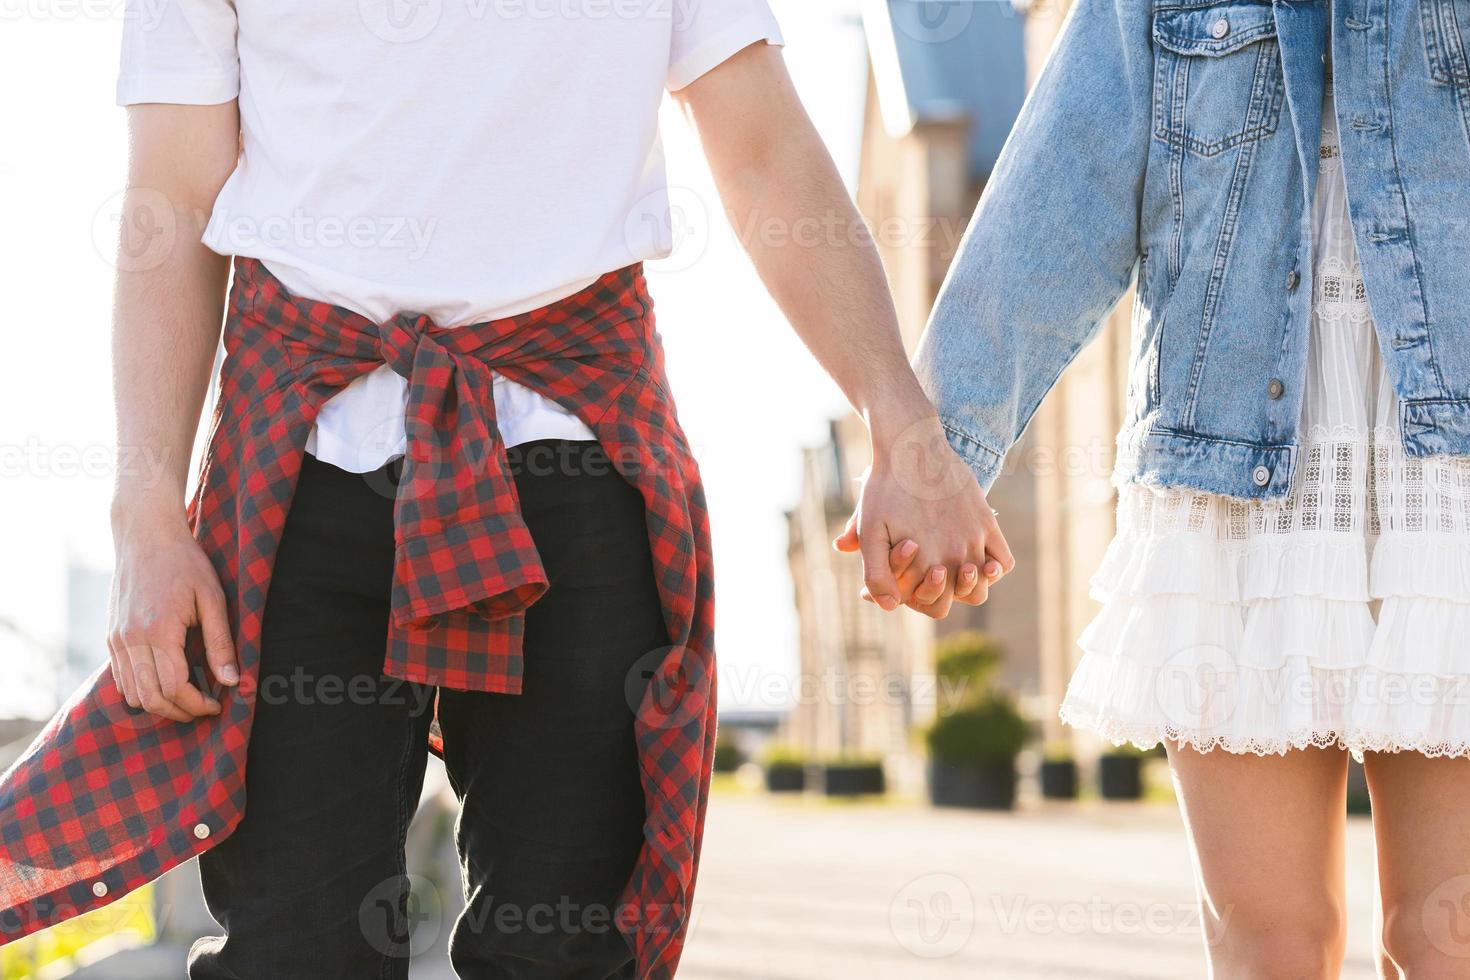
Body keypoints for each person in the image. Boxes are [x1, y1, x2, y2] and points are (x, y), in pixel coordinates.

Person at [0, 2, 1010, 977]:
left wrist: (904, 427)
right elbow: (172, 199)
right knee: (296, 953)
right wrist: (143, 517)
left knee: (562, 948)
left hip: (576, 459)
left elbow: (762, 148)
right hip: (301, 472)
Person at [896, 0, 1470, 976]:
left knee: (1443, 936)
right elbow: (1060, 186)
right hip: (1228, 482)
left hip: (1450, 477)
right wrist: (934, 457)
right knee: (1274, 944)